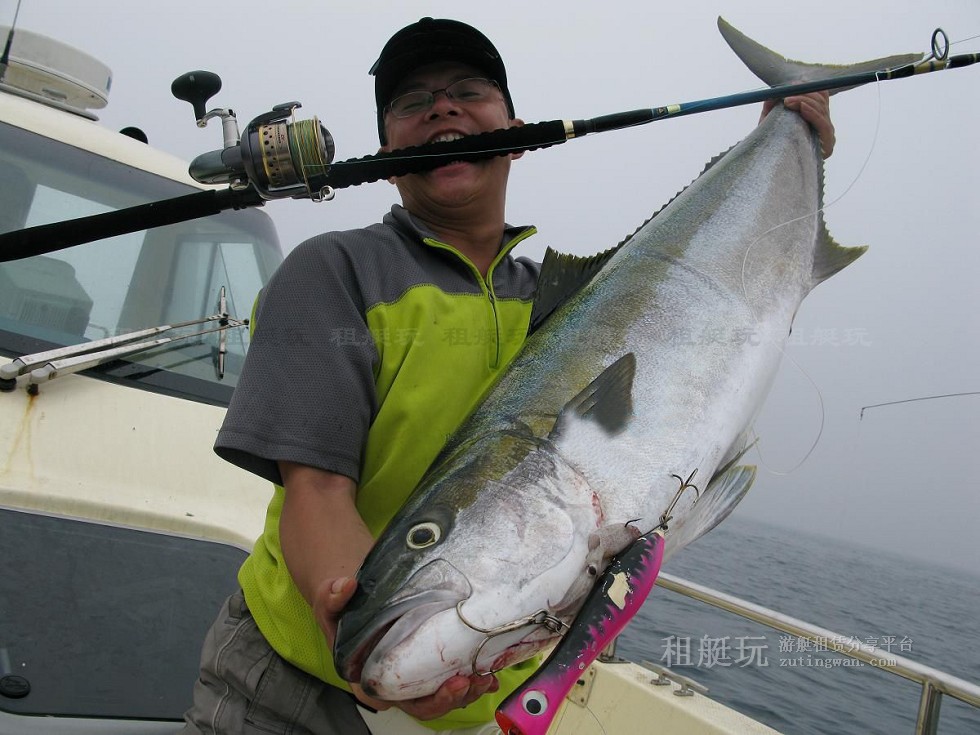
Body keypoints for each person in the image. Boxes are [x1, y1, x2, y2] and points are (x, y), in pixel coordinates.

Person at [181, 17, 836, 735]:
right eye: (412, 102)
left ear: (517, 136)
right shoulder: (336, 271)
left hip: (493, 709)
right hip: (287, 692)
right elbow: (316, 490)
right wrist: (350, 610)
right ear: (388, 158)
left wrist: (786, 139)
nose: (442, 108)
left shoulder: (558, 304)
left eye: (468, 92)